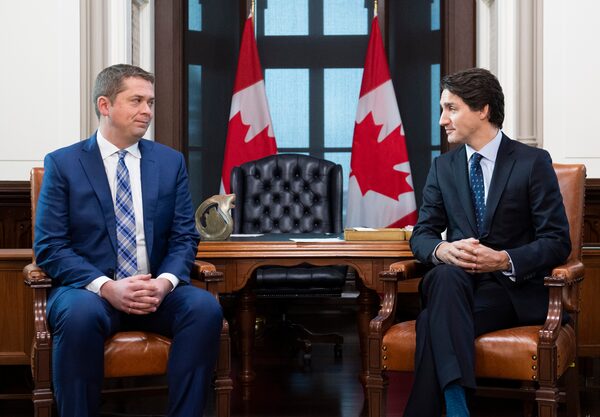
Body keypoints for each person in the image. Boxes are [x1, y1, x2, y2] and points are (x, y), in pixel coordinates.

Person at [34, 64, 223, 417]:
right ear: (105, 105)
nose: (147, 110)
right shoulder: (64, 163)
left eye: (150, 102)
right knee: (78, 315)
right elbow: (50, 246)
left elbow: (184, 235)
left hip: (154, 292)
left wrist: (165, 283)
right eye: (136, 100)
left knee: (204, 308)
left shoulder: (170, 162)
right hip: (88, 292)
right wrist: (107, 287)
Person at [405, 68, 570, 417]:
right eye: (443, 109)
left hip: (510, 291)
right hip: (458, 284)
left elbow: (557, 241)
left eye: (451, 109)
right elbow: (423, 235)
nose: (442, 120)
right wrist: (442, 249)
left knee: (431, 321)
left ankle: (452, 406)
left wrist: (503, 259)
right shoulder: (442, 167)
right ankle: (457, 408)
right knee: (445, 274)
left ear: (482, 109)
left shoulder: (532, 162)